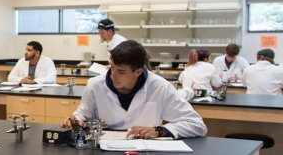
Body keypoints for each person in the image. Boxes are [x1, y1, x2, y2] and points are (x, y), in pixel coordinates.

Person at [61, 40, 207, 139]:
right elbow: (83, 114)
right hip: (104, 150)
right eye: (112, 68)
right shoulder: (95, 85)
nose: (113, 76)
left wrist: (159, 131)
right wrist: (76, 120)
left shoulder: (159, 87)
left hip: (146, 152)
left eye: (121, 71)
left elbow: (197, 125)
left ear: (137, 72)